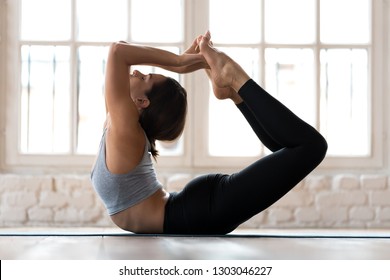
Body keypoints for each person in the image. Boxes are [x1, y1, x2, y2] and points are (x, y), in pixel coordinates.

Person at [91, 31, 327, 235]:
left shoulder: (125, 131)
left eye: (142, 77)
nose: (135, 72)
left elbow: (118, 52)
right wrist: (183, 62)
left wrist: (182, 62)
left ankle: (234, 79)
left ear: (142, 101)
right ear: (141, 102)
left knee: (309, 147)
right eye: (143, 75)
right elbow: (121, 51)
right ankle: (233, 92)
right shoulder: (120, 127)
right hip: (199, 209)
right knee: (292, 150)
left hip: (201, 210)